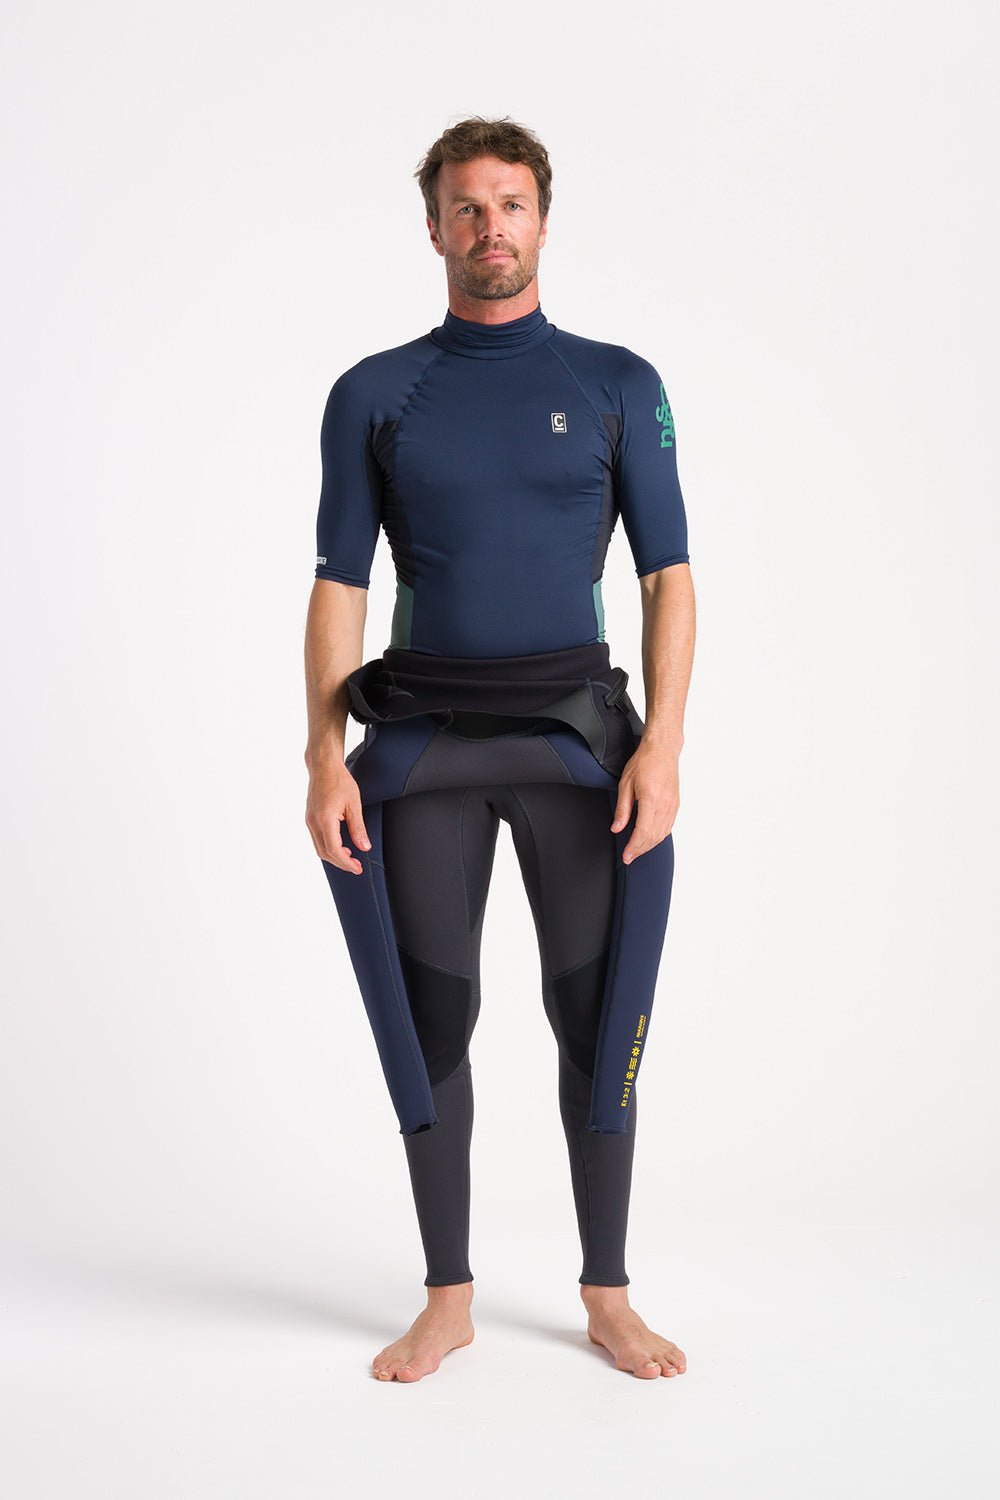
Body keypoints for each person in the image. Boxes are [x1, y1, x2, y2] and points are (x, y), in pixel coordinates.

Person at [304, 117, 696, 1383]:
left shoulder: (617, 383)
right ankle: (448, 1296)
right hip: (422, 746)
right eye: (467, 207)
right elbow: (339, 586)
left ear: (542, 220)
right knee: (433, 1022)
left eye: (511, 204)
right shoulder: (376, 393)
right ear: (434, 229)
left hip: (580, 747)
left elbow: (668, 578)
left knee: (597, 1018)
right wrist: (321, 755)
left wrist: (663, 746)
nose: (491, 228)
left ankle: (606, 1294)